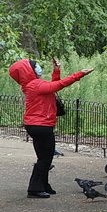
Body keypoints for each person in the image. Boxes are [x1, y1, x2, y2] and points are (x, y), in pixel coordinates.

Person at [9, 58, 94, 198]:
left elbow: (52, 85)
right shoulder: (35, 85)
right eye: (35, 66)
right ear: (28, 71)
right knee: (45, 159)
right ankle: (34, 189)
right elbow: (59, 85)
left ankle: (44, 185)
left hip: (35, 124)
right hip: (41, 125)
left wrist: (56, 70)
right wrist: (79, 74)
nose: (39, 67)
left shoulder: (30, 84)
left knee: (43, 157)